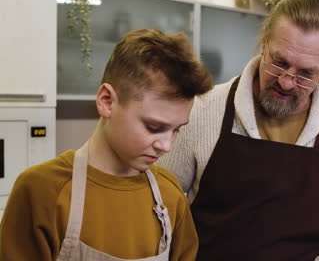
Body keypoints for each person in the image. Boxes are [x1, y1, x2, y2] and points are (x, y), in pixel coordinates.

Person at [157, 0, 319, 260]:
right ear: (263, 43)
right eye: (279, 62)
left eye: (306, 73)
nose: (287, 82)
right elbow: (159, 202)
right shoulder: (203, 109)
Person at [0, 29, 212, 261]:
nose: (166, 145)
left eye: (177, 130)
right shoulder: (41, 191)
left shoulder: (170, 194)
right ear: (107, 101)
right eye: (153, 127)